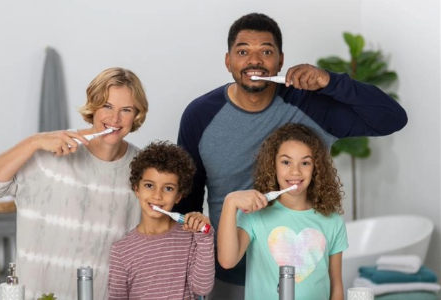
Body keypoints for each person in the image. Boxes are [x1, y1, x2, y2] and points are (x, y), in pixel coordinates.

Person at [173, 12, 407, 299]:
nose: (254, 60)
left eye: (266, 51)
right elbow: (187, 203)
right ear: (228, 61)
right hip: (226, 275)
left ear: (280, 60)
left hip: (305, 282)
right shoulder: (200, 115)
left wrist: (331, 81)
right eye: (243, 51)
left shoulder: (312, 105)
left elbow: (392, 119)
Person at [0, 67, 149, 300]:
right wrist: (33, 142)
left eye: (125, 110)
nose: (115, 119)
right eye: (107, 106)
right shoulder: (47, 149)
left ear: (136, 115)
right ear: (93, 106)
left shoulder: (143, 168)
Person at [217, 123, 347, 300]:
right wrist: (230, 203)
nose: (295, 171)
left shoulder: (332, 220)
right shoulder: (254, 214)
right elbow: (227, 260)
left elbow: (336, 287)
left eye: (305, 163)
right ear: (273, 165)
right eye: (286, 162)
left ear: (316, 168)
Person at [107, 140, 215, 299]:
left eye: (168, 188)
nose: (157, 196)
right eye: (149, 185)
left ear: (178, 196)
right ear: (136, 188)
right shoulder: (122, 250)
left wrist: (205, 238)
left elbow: (202, 289)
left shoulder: (190, 237)